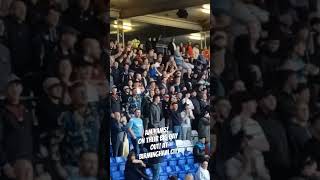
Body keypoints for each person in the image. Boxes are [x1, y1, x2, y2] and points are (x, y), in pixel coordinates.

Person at [59, 82, 100, 177]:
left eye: (85, 92)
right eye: (80, 92)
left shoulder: (95, 112)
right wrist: (58, 167)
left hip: (93, 166)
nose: (84, 95)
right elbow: (55, 144)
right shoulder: (66, 116)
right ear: (72, 96)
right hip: (73, 167)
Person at [0, 75, 34, 180]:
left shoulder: (27, 110)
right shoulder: (2, 111)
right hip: (11, 162)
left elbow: (32, 135)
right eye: (11, 86)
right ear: (4, 90)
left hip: (29, 160)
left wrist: (36, 161)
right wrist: (4, 163)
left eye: (17, 85)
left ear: (21, 88)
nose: (15, 89)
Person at [254, 89, 291, 179]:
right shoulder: (255, 121)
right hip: (268, 168)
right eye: (268, 98)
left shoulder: (278, 121)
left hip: (284, 167)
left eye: (274, 98)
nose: (272, 100)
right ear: (259, 101)